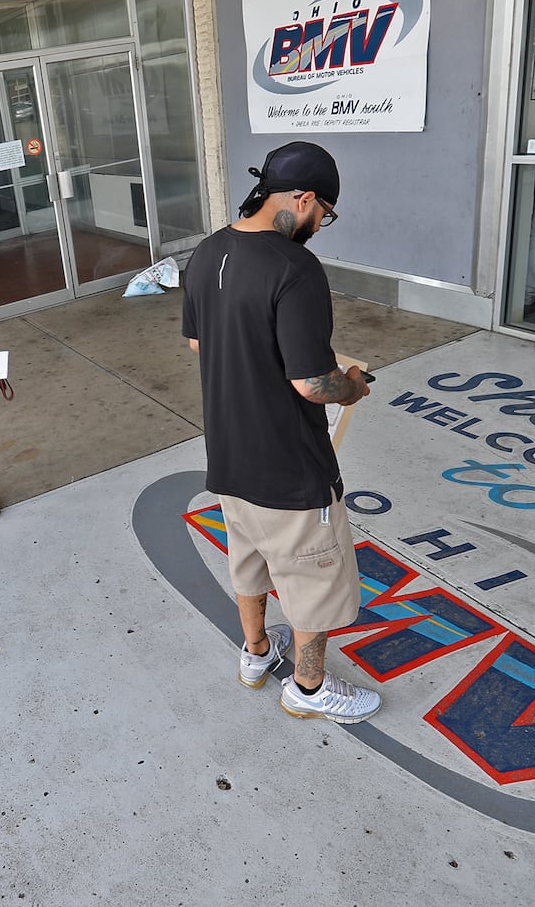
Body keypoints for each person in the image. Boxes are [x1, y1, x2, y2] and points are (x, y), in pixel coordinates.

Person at [181, 141, 380, 724]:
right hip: (290, 468)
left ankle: (256, 653)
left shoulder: (207, 249)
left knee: (249, 561)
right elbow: (312, 384)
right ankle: (311, 688)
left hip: (229, 457)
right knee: (312, 576)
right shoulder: (295, 268)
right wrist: (352, 384)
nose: (320, 226)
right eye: (324, 213)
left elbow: (199, 342)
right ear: (305, 198)